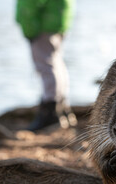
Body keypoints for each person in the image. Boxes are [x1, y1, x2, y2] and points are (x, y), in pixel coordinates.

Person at [16, 0, 77, 131]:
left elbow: (29, 4)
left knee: (47, 65)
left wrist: (29, 28)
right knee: (56, 62)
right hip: (56, 19)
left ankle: (50, 112)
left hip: (43, 23)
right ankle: (62, 108)